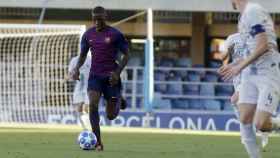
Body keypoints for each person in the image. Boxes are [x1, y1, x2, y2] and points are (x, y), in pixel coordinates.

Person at [219, 1, 280, 157]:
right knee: (245, 118)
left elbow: (263, 46)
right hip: (250, 73)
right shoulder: (243, 16)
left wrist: (238, 67)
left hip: (267, 72)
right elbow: (251, 51)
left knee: (260, 123)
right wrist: (234, 64)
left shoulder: (252, 11)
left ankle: (276, 123)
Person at [71, 6, 129, 151]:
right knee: (93, 105)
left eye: (100, 19)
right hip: (95, 76)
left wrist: (117, 72)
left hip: (111, 77)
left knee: (111, 116)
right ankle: (97, 142)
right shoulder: (87, 35)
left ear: (105, 17)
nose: (97, 22)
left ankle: (119, 99)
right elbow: (83, 55)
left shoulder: (115, 34)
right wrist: (77, 68)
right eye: (95, 19)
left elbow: (127, 54)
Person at [221, 33, 269, 151]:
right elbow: (223, 55)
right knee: (244, 109)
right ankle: (261, 130)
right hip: (237, 76)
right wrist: (226, 57)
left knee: (234, 100)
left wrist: (233, 64)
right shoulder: (232, 38)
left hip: (250, 74)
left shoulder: (255, 38)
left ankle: (250, 133)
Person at [68, 54, 91, 130]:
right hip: (79, 87)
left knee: (86, 105)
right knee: (79, 106)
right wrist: (68, 78)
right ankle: (82, 122)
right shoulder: (74, 60)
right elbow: (70, 73)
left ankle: (87, 121)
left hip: (89, 86)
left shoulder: (91, 59)